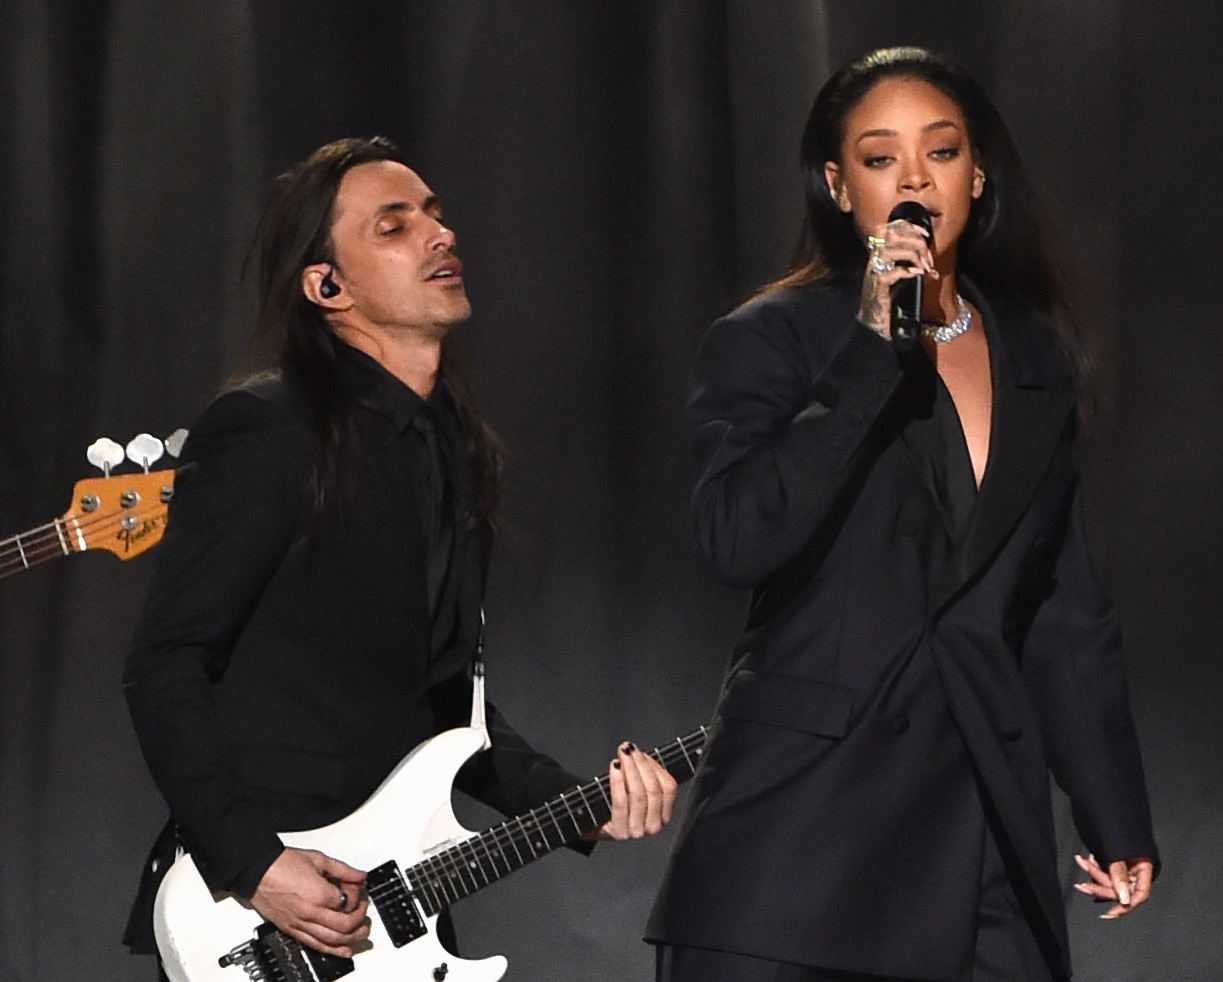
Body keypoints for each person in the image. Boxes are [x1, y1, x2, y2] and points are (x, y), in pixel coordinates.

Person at [646, 48, 1157, 982]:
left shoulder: (1035, 356)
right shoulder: (773, 337)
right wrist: (875, 343)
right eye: (880, 158)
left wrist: (1112, 811)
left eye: (942, 150)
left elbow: (1063, 607)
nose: (915, 178)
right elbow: (736, 535)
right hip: (795, 843)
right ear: (840, 188)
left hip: (980, 836)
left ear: (978, 172)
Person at [121, 136, 677, 975]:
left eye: (435, 215)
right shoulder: (268, 430)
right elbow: (166, 662)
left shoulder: (448, 449)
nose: (437, 235)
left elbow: (448, 708)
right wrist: (256, 866)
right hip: (267, 910)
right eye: (394, 225)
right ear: (326, 286)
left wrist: (580, 808)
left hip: (392, 912)